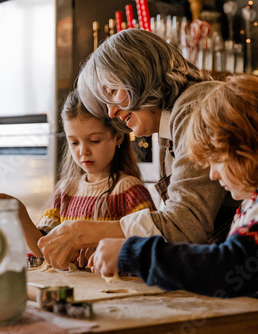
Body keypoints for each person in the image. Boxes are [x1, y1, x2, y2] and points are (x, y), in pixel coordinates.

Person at [38, 28, 240, 269]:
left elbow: (185, 226)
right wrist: (114, 239)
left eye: (113, 92)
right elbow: (173, 232)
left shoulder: (194, 107)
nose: (111, 112)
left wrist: (87, 231)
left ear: (140, 74)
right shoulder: (169, 130)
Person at [88, 74, 258, 299]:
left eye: (216, 159)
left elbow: (227, 267)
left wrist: (133, 254)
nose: (213, 174)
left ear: (248, 145)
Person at [0, 90, 156, 266]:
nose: (83, 151)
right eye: (74, 142)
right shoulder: (67, 190)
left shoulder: (129, 191)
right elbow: (44, 248)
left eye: (94, 140)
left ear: (117, 137)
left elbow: (153, 247)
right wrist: (20, 213)